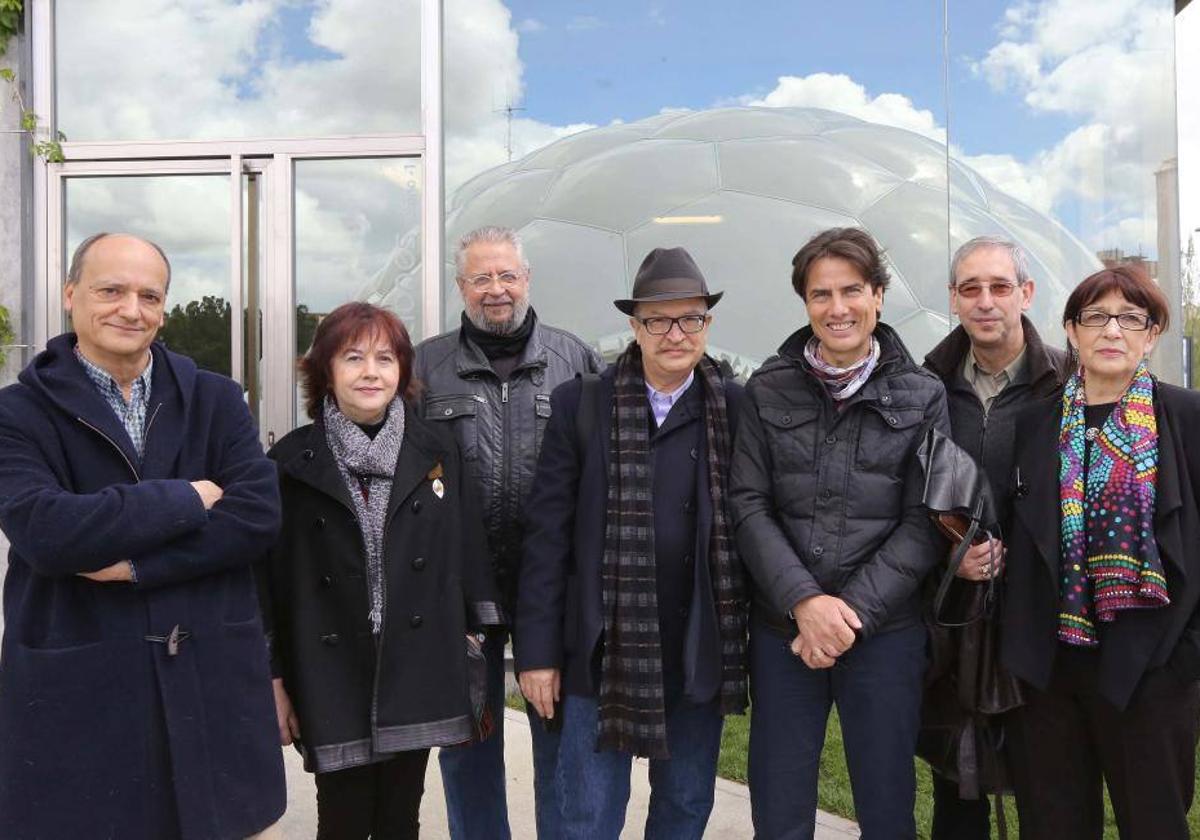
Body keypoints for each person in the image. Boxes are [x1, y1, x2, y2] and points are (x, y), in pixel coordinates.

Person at [0, 232, 285, 839]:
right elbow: (45, 531)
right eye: (111, 290)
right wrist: (188, 497)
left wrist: (134, 566)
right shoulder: (17, 413)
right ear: (70, 294)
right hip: (82, 694)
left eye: (149, 295)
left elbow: (258, 515)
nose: (132, 309)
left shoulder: (215, 398)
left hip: (209, 680)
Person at [516, 246, 748, 839]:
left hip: (699, 645)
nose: (676, 333)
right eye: (658, 320)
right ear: (635, 327)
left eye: (690, 318)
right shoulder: (584, 404)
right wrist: (538, 653)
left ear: (707, 324)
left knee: (685, 806)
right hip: (603, 651)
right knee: (585, 814)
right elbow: (547, 539)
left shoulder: (735, 407)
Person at [730, 227, 950, 839]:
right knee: (778, 810)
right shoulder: (766, 390)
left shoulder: (924, 395)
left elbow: (926, 520)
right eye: (821, 294)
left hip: (883, 634)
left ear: (878, 296)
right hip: (784, 632)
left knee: (886, 808)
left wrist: (845, 614)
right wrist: (804, 603)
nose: (838, 308)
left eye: (852, 290)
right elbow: (747, 505)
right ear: (804, 303)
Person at [259, 302, 504, 840]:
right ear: (326, 371)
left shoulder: (437, 451)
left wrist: (472, 634)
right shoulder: (289, 463)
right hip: (329, 668)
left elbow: (466, 548)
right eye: (353, 358)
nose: (371, 372)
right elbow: (270, 583)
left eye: (385, 358)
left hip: (414, 664)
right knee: (341, 820)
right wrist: (272, 674)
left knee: (400, 818)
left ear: (402, 371)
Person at [414, 225, 601, 839]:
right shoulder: (426, 367)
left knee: (560, 737)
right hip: (459, 586)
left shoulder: (575, 361)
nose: (496, 290)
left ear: (527, 279)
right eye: (480, 278)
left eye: (506, 275)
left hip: (553, 585)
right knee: (468, 740)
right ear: (461, 287)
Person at [1001, 265, 1200, 839]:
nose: (1112, 330)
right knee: (1054, 824)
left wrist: (1188, 654)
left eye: (1131, 318)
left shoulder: (1185, 417)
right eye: (1096, 317)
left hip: (1153, 665)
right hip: (1051, 665)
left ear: (1151, 334)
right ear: (1071, 331)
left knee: (1155, 824)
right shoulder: (1035, 424)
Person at [919, 235, 1070, 837]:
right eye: (971, 288)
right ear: (953, 298)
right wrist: (951, 555)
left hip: (1039, 616)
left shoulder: (1065, 382)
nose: (986, 301)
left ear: (1025, 294)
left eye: (1000, 286)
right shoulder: (926, 386)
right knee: (958, 780)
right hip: (952, 616)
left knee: (1046, 779)